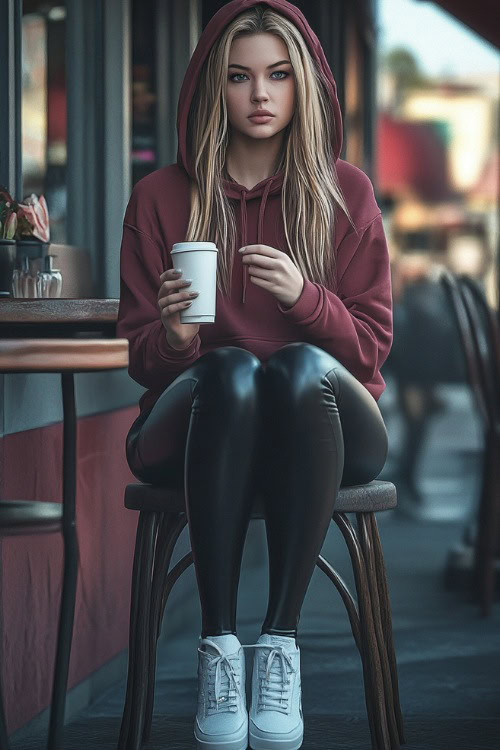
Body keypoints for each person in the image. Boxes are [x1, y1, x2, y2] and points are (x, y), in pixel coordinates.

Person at [116, 2, 393, 749]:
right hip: (204, 428)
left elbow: (368, 352)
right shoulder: (160, 200)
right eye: (239, 77)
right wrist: (175, 338)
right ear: (215, 89)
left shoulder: (346, 194)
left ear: (303, 84)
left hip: (328, 425)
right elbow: (140, 356)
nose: (260, 94)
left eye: (277, 75)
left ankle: (279, 643)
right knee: (231, 370)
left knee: (300, 368)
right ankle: (220, 650)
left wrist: (304, 300)